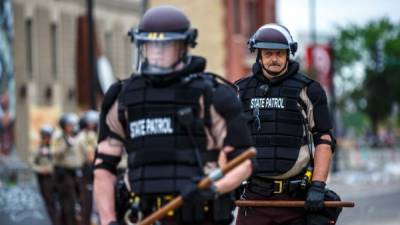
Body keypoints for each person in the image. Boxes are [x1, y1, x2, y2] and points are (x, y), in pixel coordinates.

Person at [93, 5, 254, 225]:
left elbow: (243, 162)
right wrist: (108, 220)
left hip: (200, 214)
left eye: (165, 44)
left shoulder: (213, 96)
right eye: (150, 44)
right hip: (144, 214)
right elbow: (103, 167)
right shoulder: (122, 98)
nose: (157, 50)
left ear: (183, 46)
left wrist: (213, 188)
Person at [235, 23, 336, 225]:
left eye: (280, 54)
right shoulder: (239, 91)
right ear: (258, 54)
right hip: (254, 199)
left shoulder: (310, 91)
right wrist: (230, 183)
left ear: (289, 54)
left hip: (295, 200)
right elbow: (228, 142)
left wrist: (317, 186)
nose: (274, 59)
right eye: (268, 53)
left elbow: (324, 139)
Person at [52, 112, 83, 225]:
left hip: (75, 172)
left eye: (73, 125)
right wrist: (65, 144)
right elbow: (55, 153)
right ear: (64, 125)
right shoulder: (58, 137)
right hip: (63, 173)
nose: (72, 127)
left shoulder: (75, 136)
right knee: (66, 201)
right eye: (69, 125)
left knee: (73, 200)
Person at [30, 124, 60, 225]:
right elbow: (32, 163)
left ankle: (55, 221)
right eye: (45, 136)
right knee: (46, 201)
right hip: (43, 178)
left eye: (48, 136)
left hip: (55, 177)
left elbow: (58, 160)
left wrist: (50, 168)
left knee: (54, 202)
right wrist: (41, 169)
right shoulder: (38, 148)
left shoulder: (54, 148)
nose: (46, 138)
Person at [76, 110, 99, 225]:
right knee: (87, 201)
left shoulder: (93, 135)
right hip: (85, 170)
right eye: (90, 122)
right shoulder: (83, 136)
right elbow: (90, 156)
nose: (93, 124)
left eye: (94, 122)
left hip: (93, 169)